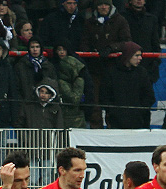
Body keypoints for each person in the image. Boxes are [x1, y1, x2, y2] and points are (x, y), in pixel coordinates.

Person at [82, 0, 131, 128]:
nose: (103, 7)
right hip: (94, 69)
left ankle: (113, 128)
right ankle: (95, 129)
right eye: (100, 4)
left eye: (106, 5)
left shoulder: (120, 21)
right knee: (95, 102)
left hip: (114, 69)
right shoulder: (89, 22)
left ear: (111, 6)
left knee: (113, 101)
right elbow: (84, 42)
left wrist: (112, 48)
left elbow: (126, 42)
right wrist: (90, 52)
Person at [101, 41, 154, 129]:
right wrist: (114, 112)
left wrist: (140, 111)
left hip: (139, 122)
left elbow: (149, 96)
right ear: (128, 55)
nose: (140, 58)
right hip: (117, 122)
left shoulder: (142, 72)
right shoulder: (112, 72)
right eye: (136, 55)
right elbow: (105, 96)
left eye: (140, 55)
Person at [52, 43, 93, 128]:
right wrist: (79, 82)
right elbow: (74, 99)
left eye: (64, 49)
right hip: (68, 116)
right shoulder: (62, 82)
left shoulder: (80, 70)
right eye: (59, 49)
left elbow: (89, 91)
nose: (62, 52)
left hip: (81, 115)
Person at [122, 0, 159, 83]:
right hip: (126, 66)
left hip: (147, 67)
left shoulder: (152, 19)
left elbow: (155, 43)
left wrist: (155, 62)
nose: (139, 0)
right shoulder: (121, 17)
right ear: (130, 1)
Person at [14, 37, 56, 106]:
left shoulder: (49, 66)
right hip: (26, 104)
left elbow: (53, 86)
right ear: (29, 49)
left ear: (41, 48)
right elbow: (16, 87)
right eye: (32, 47)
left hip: (44, 105)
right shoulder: (20, 65)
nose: (35, 49)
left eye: (37, 47)